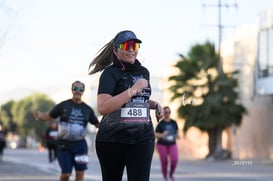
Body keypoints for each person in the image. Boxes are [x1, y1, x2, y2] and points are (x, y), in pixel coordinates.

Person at [88, 30, 164, 181]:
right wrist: (133, 89)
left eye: (134, 46)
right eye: (126, 45)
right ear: (116, 50)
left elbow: (136, 101)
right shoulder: (110, 73)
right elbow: (103, 107)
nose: (131, 49)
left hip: (142, 138)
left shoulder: (144, 72)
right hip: (112, 140)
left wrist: (154, 104)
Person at [33, 80, 100, 181]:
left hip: (80, 145)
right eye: (75, 88)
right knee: (66, 174)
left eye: (80, 89)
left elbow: (97, 124)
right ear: (72, 90)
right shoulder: (63, 105)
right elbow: (49, 116)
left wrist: (110, 124)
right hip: (64, 145)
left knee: (80, 174)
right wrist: (39, 116)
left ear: (83, 91)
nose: (78, 91)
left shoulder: (87, 109)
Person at [155, 106, 179, 181]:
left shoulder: (173, 122)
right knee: (164, 161)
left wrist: (177, 135)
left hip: (172, 144)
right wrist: (162, 135)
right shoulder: (161, 123)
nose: (167, 114)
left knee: (174, 160)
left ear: (170, 113)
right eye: (165, 112)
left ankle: (171, 174)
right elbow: (155, 134)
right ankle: (165, 177)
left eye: (168, 112)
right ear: (163, 113)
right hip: (162, 144)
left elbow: (177, 131)